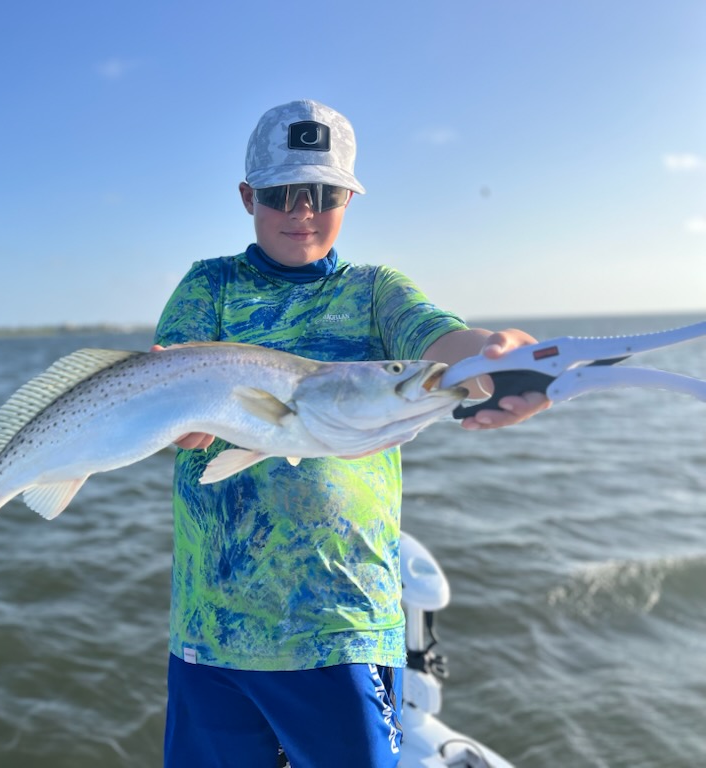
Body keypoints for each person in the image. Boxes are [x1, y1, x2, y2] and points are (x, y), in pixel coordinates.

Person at [153, 100, 549, 768]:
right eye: (281, 192)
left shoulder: (375, 292)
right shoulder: (209, 285)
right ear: (248, 197)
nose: (302, 210)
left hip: (344, 623)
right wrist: (177, 424)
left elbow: (443, 343)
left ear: (349, 198)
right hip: (211, 628)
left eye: (323, 192)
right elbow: (169, 379)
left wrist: (499, 359)